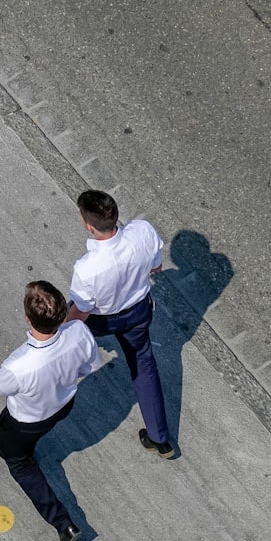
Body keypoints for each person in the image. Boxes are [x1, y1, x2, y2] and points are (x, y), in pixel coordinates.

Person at [0, 281, 102, 541]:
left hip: (24, 424)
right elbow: (90, 366)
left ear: (28, 318)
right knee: (36, 440)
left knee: (18, 463)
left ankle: (64, 524)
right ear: (63, 311)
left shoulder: (18, 365)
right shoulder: (78, 331)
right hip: (63, 406)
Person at [64, 189, 174, 458]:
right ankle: (160, 439)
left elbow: (82, 310)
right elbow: (156, 267)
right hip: (138, 313)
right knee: (144, 366)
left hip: (102, 321)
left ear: (88, 225)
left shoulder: (87, 268)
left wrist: (59, 331)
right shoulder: (143, 231)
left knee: (67, 328)